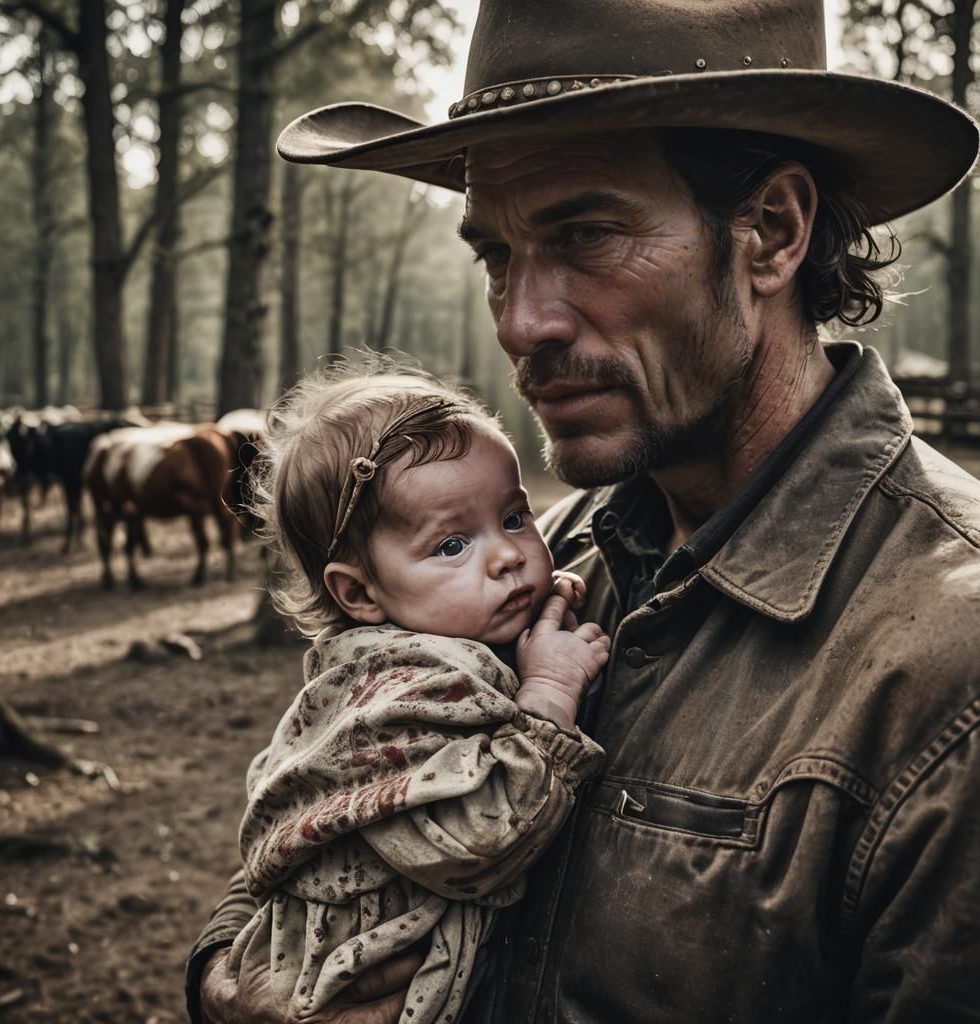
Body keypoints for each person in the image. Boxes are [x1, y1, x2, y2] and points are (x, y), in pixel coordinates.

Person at [188, 0, 980, 1020]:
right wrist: (225, 986)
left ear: (773, 231)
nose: (521, 322)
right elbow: (310, 814)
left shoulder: (947, 668)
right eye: (496, 256)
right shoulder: (542, 559)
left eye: (586, 236)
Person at [223, 366, 606, 1024]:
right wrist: (547, 692)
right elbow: (480, 843)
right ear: (359, 593)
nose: (508, 556)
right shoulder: (405, 689)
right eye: (452, 545)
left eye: (515, 517)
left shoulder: (393, 655)